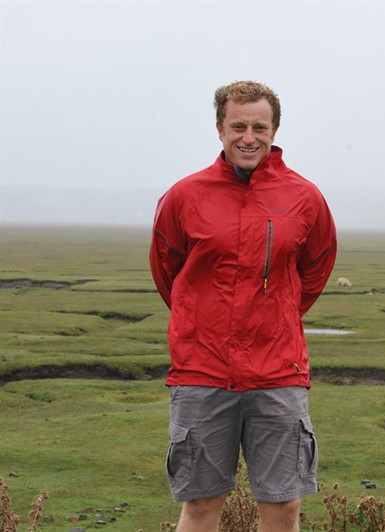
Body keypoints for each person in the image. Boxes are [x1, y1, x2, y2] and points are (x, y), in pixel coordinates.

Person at [149, 80, 337, 531]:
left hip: (277, 371)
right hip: (202, 370)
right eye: (238, 126)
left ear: (274, 130)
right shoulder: (185, 196)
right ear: (220, 129)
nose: (248, 136)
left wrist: (279, 316)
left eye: (259, 126)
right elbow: (167, 271)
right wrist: (201, 318)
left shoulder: (304, 197)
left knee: (283, 505)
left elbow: (316, 267)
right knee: (200, 505)